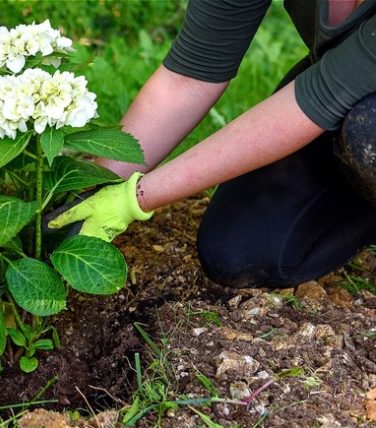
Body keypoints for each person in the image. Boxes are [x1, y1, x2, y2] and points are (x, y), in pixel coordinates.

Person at [47, 0, 376, 288]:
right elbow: (189, 76)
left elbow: (316, 101)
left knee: (368, 134)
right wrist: (91, 183)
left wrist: (134, 198)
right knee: (239, 249)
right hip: (343, 94)